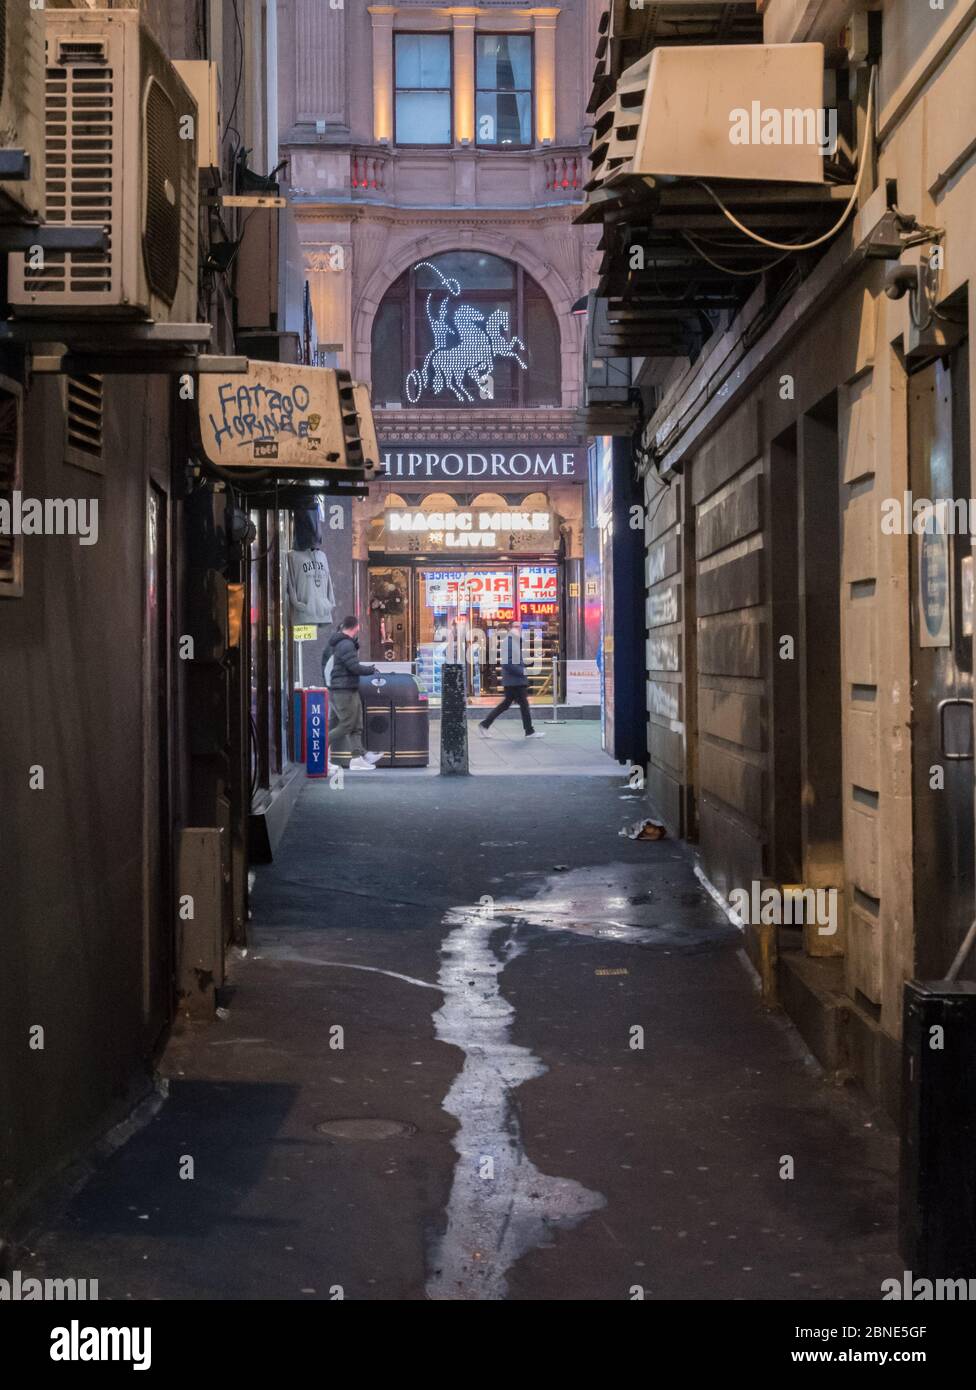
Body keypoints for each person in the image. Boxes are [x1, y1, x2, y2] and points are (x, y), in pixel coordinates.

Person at [324, 616, 382, 772]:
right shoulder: (345, 644)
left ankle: (358, 758)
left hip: (344, 689)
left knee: (356, 725)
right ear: (355, 627)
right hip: (343, 691)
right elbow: (353, 667)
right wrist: (371, 670)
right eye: (358, 627)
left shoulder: (337, 644)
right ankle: (318, 751)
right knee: (347, 724)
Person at [478, 623, 546, 740]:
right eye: (516, 626)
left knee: (508, 704)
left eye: (520, 627)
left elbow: (517, 660)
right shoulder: (509, 642)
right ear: (511, 629)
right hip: (514, 681)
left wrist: (532, 660)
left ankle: (485, 724)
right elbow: (508, 663)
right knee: (523, 705)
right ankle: (529, 731)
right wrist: (523, 671)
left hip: (514, 680)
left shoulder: (514, 642)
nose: (519, 629)